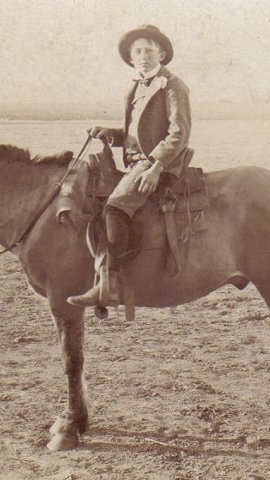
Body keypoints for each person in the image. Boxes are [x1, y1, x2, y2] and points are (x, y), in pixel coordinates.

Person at [68, 24, 192, 307]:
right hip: (137, 162)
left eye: (149, 50)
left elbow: (179, 133)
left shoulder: (173, 85)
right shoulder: (136, 87)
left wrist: (156, 167)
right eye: (138, 51)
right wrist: (111, 134)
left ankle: (109, 284)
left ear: (161, 53)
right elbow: (137, 135)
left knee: (115, 207)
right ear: (131, 57)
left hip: (156, 164)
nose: (144, 55)